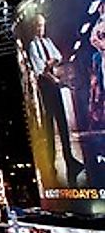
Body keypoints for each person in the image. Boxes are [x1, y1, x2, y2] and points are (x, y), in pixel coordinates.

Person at [26, 13, 84, 183]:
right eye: (37, 25)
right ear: (33, 27)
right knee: (49, 124)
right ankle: (50, 165)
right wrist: (53, 75)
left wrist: (50, 64)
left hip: (53, 84)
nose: (40, 28)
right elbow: (41, 70)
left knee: (62, 123)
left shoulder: (47, 42)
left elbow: (57, 57)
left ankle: (70, 160)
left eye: (42, 25)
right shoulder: (33, 46)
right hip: (46, 87)